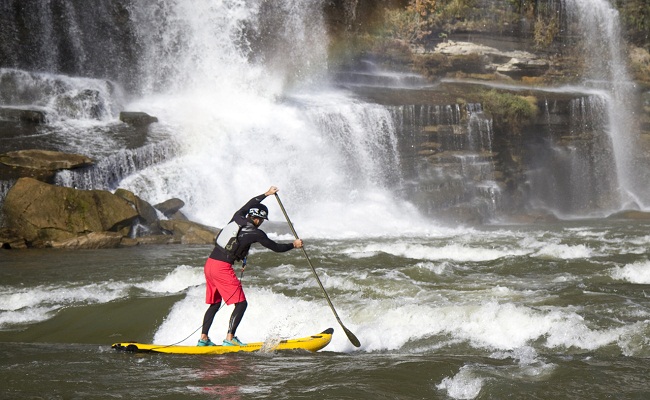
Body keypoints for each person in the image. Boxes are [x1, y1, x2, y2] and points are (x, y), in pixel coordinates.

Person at [198, 186, 303, 346]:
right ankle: (230, 338)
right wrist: (293, 245)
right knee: (241, 304)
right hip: (221, 268)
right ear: (256, 218)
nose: (260, 223)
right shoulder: (256, 233)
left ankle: (203, 339)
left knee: (215, 303)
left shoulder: (237, 217)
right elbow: (276, 247)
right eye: (260, 220)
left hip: (210, 264)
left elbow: (249, 203)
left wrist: (266, 194)